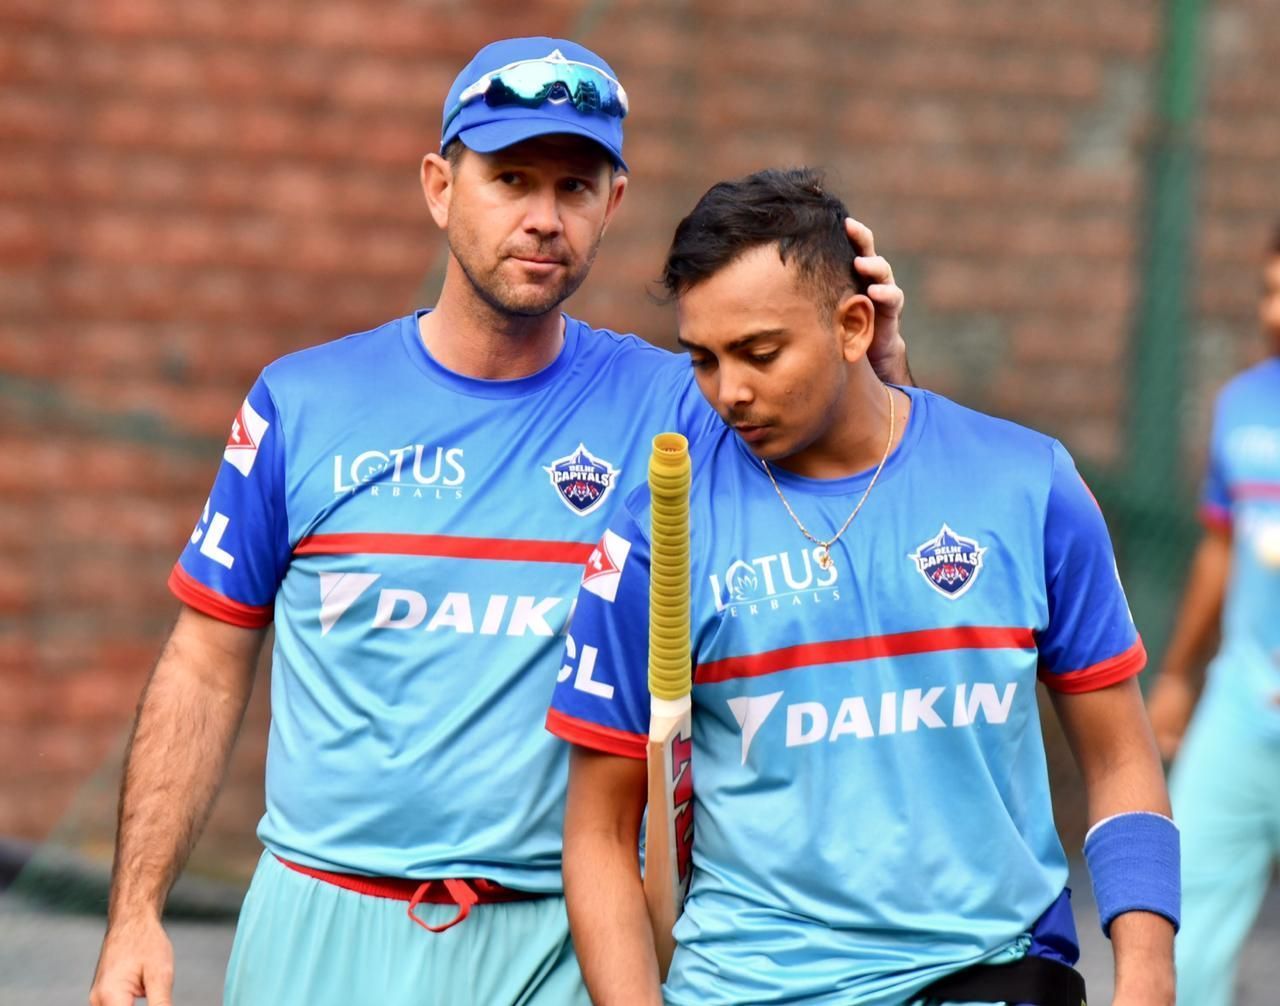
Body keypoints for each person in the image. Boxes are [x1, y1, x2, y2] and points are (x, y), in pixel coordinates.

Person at [88, 39, 910, 1006]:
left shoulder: (681, 403)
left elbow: (852, 548)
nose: (542, 218)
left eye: (574, 186)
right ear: (440, 186)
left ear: (612, 202)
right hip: (319, 916)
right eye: (509, 178)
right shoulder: (302, 403)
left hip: (560, 940)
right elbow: (206, 660)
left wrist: (878, 378)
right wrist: (135, 913)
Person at [549, 167, 1180, 1006]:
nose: (728, 390)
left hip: (991, 975)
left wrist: (1148, 976)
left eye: (760, 352)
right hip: (750, 988)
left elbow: (1120, 756)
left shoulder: (1027, 486)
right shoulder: (656, 534)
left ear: (853, 325)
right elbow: (596, 835)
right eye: (702, 358)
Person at [1146, 225, 1280, 1006]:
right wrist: (1176, 676)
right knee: (1178, 942)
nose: (1275, 312)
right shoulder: (1241, 404)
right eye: (1268, 291)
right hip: (1239, 711)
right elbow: (1219, 550)